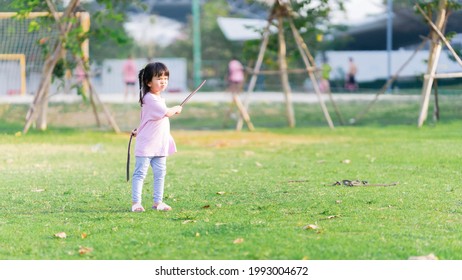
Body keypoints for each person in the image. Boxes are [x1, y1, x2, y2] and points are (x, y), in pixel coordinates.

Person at [130, 62, 183, 212]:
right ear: (148, 82)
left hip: (159, 144)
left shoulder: (158, 98)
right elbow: (166, 113)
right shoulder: (150, 98)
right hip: (147, 145)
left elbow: (146, 119)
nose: (163, 81)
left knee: (160, 174)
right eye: (159, 78)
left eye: (166, 78)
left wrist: (138, 130)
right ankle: (136, 203)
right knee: (140, 173)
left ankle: (158, 202)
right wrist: (177, 109)